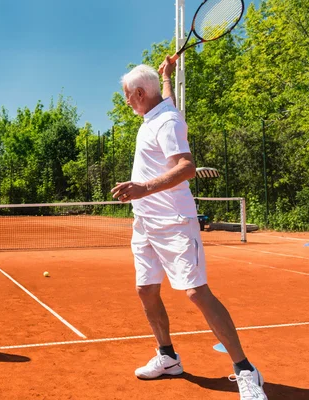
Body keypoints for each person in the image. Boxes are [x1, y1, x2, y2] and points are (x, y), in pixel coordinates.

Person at [111, 57, 268, 400]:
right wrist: (167, 76)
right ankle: (168, 357)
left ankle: (245, 370)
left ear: (139, 93)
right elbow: (169, 101)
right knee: (146, 290)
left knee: (197, 292)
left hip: (175, 223)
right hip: (146, 223)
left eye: (127, 94)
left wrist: (142, 188)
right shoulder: (161, 111)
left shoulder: (165, 121)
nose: (126, 101)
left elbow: (186, 168)